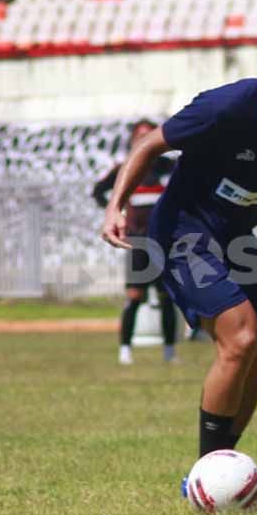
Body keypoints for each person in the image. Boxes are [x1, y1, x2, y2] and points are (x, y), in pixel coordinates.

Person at [100, 7, 257, 476]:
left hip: (234, 238)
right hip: (182, 232)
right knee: (241, 335)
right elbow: (149, 146)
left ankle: (219, 472)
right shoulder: (224, 107)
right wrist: (117, 206)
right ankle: (208, 474)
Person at [93, 119, 179, 365]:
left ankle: (170, 351)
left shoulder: (168, 167)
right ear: (132, 140)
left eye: (149, 134)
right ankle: (125, 349)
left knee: (166, 297)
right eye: (139, 135)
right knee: (134, 297)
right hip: (137, 242)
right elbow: (99, 191)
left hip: (164, 241)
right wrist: (114, 210)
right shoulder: (126, 169)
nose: (144, 139)